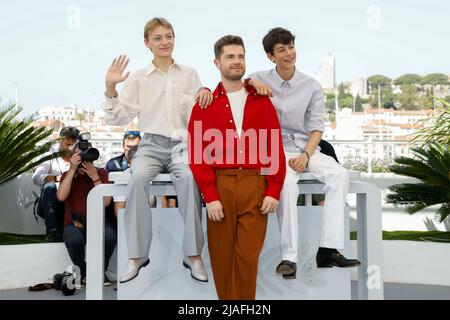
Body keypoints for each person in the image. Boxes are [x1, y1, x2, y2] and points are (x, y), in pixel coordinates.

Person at [101, 17, 213, 283]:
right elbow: (117, 117)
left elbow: (202, 111)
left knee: (188, 179)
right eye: (158, 38)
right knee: (137, 177)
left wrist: (206, 93)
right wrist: (110, 87)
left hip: (182, 146)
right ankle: (137, 255)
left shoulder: (191, 74)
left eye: (169, 36)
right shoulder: (139, 78)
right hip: (151, 144)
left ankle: (193, 255)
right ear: (147, 43)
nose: (165, 42)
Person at [249, 27, 360, 279]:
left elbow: (317, 127)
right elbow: (241, 82)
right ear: (270, 56)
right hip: (275, 152)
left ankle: (328, 249)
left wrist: (306, 156)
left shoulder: (311, 85)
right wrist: (252, 82)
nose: (289, 53)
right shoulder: (259, 78)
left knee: (339, 175)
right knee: (287, 185)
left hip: (306, 148)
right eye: (281, 50)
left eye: (291, 47)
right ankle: (289, 257)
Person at [188, 35, 286, 300]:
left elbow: (273, 146)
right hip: (220, 184)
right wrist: (210, 196)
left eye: (241, 56)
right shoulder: (204, 104)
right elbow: (198, 155)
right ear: (217, 62)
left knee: (247, 258)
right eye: (230, 57)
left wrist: (273, 189)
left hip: (255, 185)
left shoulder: (261, 99)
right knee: (221, 261)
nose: (237, 61)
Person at [56, 142, 116, 285]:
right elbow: (60, 197)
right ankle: (84, 273)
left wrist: (95, 177)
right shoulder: (68, 174)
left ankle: (99, 272)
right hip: (75, 222)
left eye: (87, 154)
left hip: (98, 221)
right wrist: (72, 170)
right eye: (80, 155)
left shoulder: (102, 173)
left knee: (109, 237)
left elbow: (106, 202)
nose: (84, 159)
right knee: (74, 239)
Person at [32, 126, 80, 242]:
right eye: (67, 144)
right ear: (60, 140)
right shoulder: (50, 154)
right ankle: (52, 231)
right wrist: (56, 178)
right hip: (50, 204)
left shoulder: (79, 155)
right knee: (49, 186)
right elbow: (36, 178)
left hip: (70, 202)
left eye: (72, 145)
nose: (69, 148)